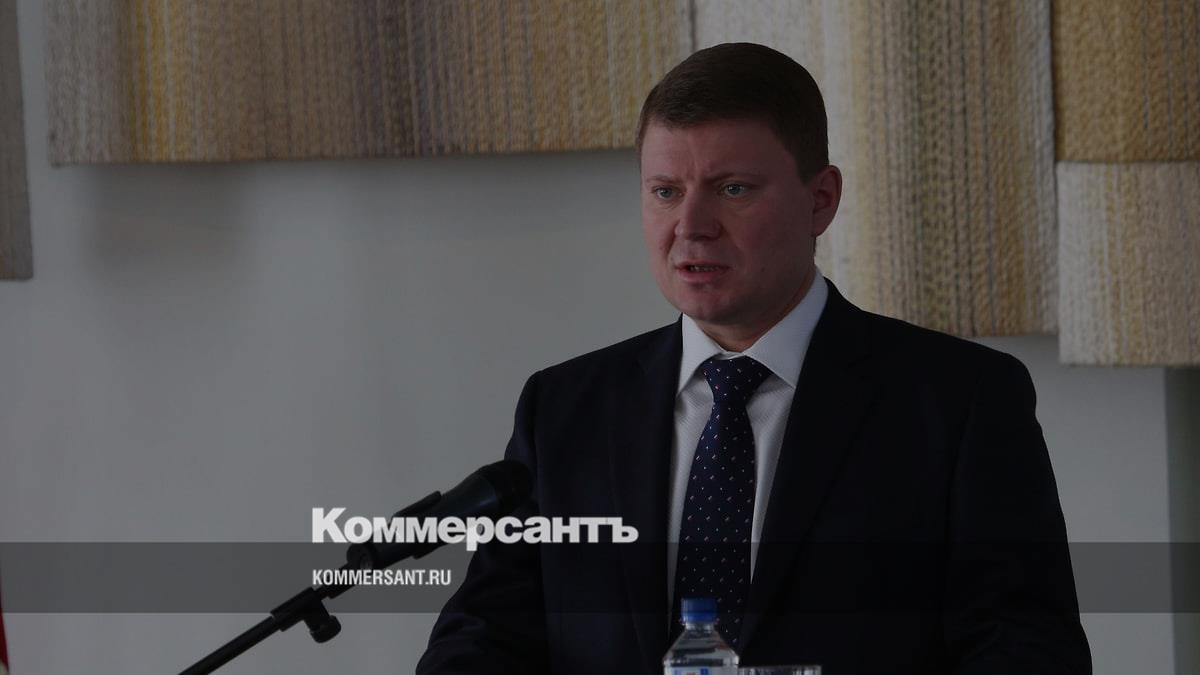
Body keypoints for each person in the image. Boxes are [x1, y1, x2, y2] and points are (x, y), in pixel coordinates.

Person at [417, 42, 1091, 674]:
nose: (691, 226)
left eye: (733, 188)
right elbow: (483, 636)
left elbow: (1028, 651)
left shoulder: (961, 402)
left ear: (820, 200)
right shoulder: (565, 408)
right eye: (665, 191)